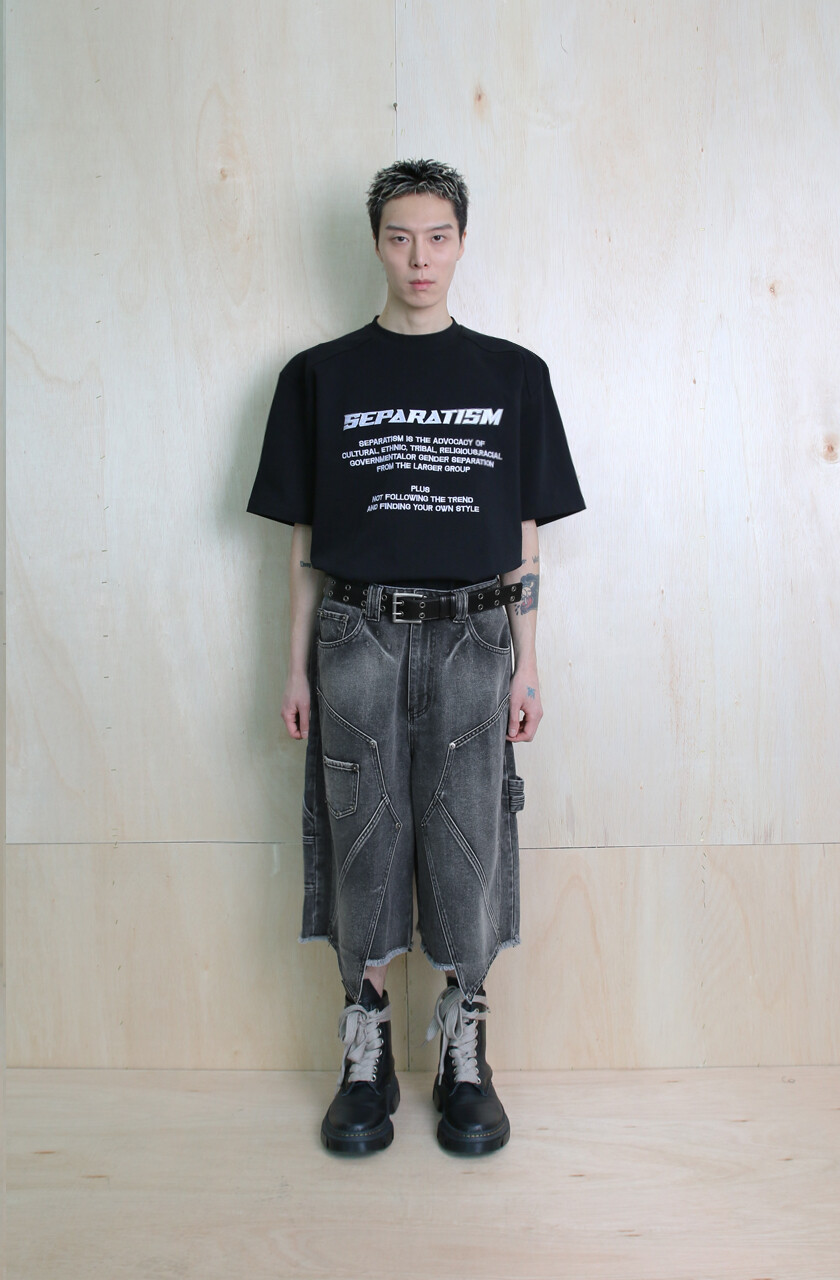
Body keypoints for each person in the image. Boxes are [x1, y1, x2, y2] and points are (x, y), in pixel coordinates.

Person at [248, 158, 585, 1156]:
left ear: (462, 242)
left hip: (476, 633)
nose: (419, 257)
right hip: (357, 630)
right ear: (376, 244)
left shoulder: (513, 375)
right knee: (362, 831)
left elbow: (525, 533)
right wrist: (294, 665)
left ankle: (464, 1047)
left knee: (469, 831)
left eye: (437, 236)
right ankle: (365, 1045)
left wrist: (529, 660)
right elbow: (303, 540)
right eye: (400, 237)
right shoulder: (319, 376)